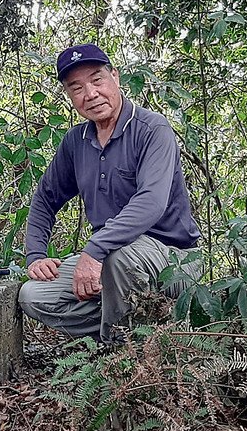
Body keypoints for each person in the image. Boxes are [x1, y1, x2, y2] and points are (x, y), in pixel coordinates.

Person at [18, 43, 201, 342]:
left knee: (120, 258)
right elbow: (44, 199)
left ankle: (122, 359)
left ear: (115, 77)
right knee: (33, 295)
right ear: (69, 96)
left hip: (173, 257)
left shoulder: (152, 129)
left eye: (97, 80)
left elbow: (151, 202)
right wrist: (36, 255)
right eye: (76, 88)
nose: (90, 94)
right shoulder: (76, 142)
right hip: (110, 257)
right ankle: (141, 325)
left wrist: (94, 250)